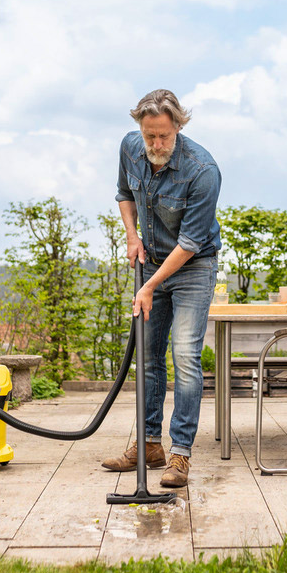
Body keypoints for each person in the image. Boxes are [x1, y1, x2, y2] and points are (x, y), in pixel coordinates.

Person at [102, 89, 222, 488]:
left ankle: (180, 455)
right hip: (150, 260)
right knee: (149, 357)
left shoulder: (202, 169)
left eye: (163, 137)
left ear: (178, 128)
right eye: (149, 135)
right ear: (140, 127)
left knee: (185, 356)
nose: (155, 144)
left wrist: (151, 285)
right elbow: (124, 194)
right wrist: (131, 236)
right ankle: (149, 445)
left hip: (192, 268)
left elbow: (190, 244)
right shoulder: (130, 148)